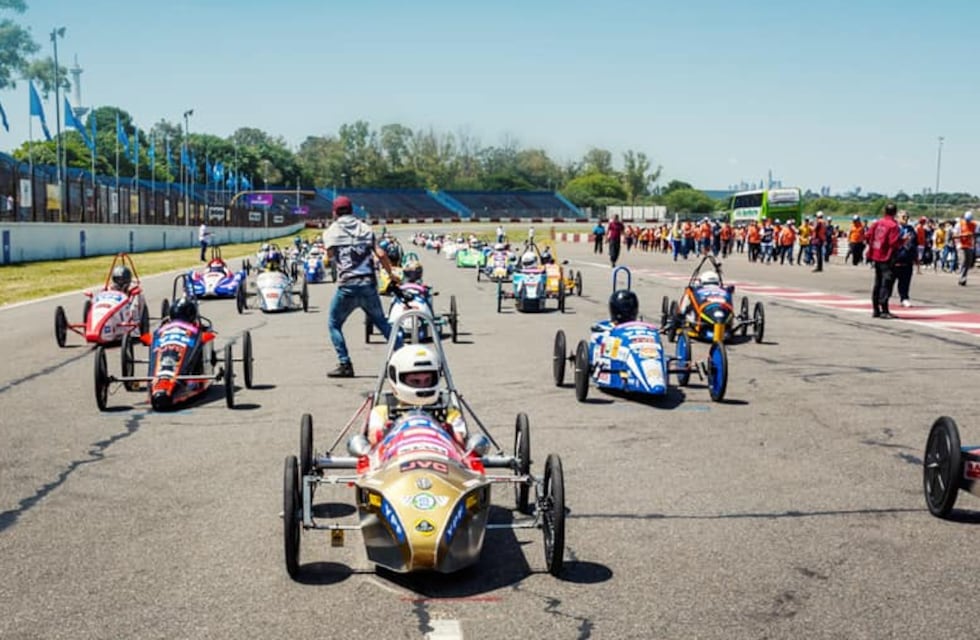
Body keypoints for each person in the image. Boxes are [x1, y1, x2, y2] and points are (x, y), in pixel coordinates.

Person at [322, 196, 398, 378]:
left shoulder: (331, 231)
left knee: (334, 324)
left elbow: (328, 257)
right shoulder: (365, 228)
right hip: (368, 285)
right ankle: (403, 354)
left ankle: (345, 364)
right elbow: (381, 254)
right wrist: (391, 274)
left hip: (347, 287)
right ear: (352, 210)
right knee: (382, 323)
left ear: (334, 212)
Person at [364, 345, 467, 447]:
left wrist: (451, 432)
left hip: (438, 454)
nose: (423, 386)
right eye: (415, 381)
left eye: (427, 380)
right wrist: (385, 431)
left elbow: (460, 445)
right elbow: (373, 440)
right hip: (398, 455)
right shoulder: (382, 413)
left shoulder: (450, 414)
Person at [866, 203, 902, 319]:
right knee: (886, 283)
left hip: (876, 255)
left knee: (878, 282)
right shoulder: (893, 226)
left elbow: (868, 236)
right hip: (887, 257)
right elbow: (893, 243)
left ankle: (875, 309)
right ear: (895, 212)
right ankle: (884, 309)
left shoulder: (877, 223)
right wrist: (903, 241)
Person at [893, 210, 917, 307]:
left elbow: (914, 242)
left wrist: (915, 256)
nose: (906, 219)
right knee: (889, 281)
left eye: (907, 217)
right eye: (903, 217)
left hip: (907, 258)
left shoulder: (911, 229)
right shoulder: (894, 228)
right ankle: (883, 298)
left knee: (905, 281)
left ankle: (904, 298)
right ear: (897, 218)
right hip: (895, 258)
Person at [954, 211, 977, 286]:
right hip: (961, 246)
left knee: (968, 263)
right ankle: (961, 278)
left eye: (969, 220)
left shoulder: (974, 225)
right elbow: (954, 235)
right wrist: (964, 235)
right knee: (963, 261)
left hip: (970, 246)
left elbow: (976, 234)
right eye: (967, 220)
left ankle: (963, 277)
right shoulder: (959, 224)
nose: (968, 222)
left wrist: (973, 235)